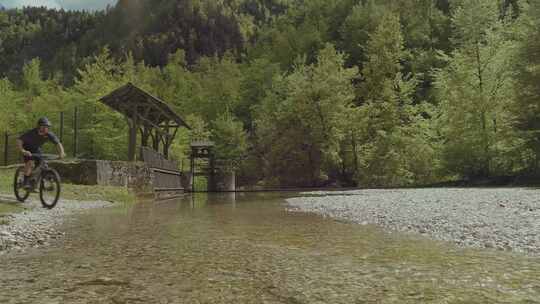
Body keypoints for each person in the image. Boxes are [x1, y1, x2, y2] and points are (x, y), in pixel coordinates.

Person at [16, 117, 66, 189]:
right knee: (30, 163)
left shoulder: (49, 134)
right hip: (27, 149)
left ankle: (37, 183)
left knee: (43, 164)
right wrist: (23, 150)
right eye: (44, 126)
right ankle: (25, 182)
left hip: (36, 149)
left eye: (47, 127)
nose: (46, 128)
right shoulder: (31, 133)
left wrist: (62, 152)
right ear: (39, 126)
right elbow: (19, 140)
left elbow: (58, 143)